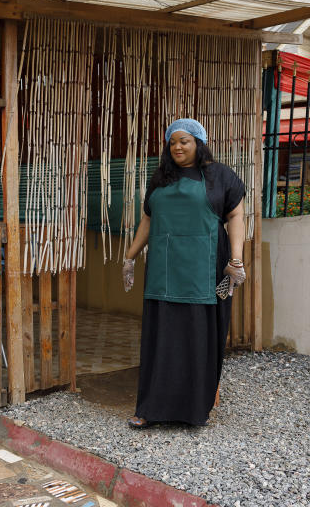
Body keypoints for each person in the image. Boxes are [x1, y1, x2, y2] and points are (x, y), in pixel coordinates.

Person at [122, 118, 246, 427]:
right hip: (163, 271)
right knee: (160, 340)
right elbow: (147, 221)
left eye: (185, 141)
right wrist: (129, 257)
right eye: (173, 141)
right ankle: (149, 410)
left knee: (198, 339)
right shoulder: (161, 177)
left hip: (205, 272)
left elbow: (236, 217)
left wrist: (237, 259)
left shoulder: (220, 176)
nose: (177, 146)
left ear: (198, 143)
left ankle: (195, 412)